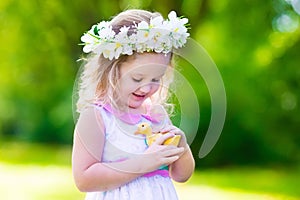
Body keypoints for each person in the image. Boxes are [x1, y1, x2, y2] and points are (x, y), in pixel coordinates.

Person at [72, 9, 195, 200]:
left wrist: (183, 147)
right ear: (111, 71)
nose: (147, 87)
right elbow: (83, 179)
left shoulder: (157, 115)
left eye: (156, 78)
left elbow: (181, 175)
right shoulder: (97, 117)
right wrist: (144, 163)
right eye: (137, 78)